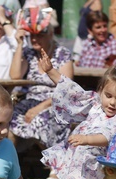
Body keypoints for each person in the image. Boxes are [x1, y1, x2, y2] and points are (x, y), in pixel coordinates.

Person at [9, 7, 73, 157]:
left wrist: (40, 107)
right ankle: (9, 161)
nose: (35, 39)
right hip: (30, 100)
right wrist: (19, 45)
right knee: (7, 118)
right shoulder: (29, 53)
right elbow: (15, 75)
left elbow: (67, 89)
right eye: (32, 35)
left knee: (44, 119)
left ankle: (55, 163)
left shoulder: (62, 54)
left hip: (55, 102)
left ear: (51, 34)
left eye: (40, 34)